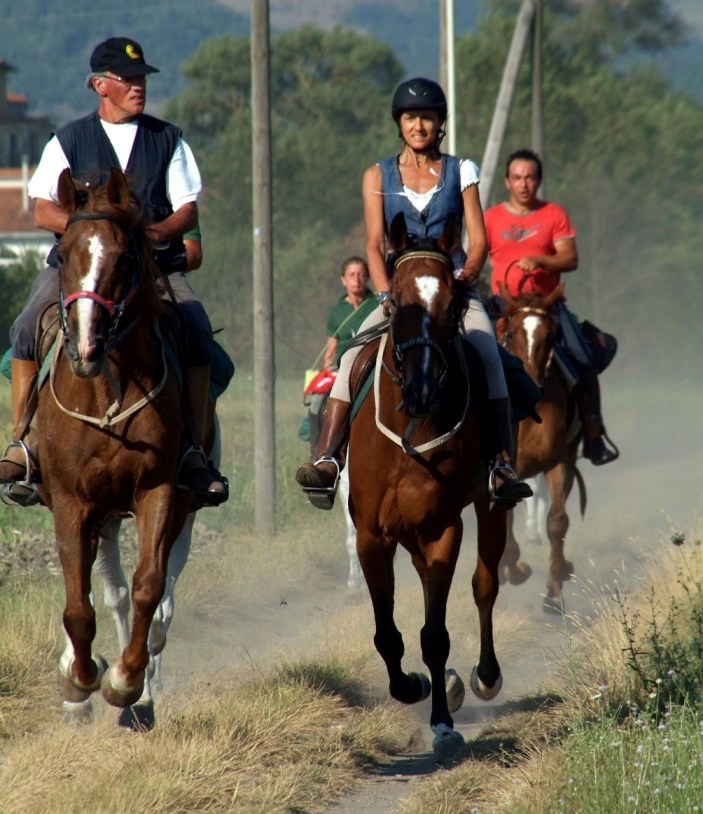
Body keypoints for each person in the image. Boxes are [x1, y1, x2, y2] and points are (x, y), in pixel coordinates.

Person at [0, 37, 228, 505]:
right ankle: (22, 442)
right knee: (25, 327)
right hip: (78, 270)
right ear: (99, 85)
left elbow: (187, 210)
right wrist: (93, 232)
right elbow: (42, 210)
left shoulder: (169, 139)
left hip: (151, 268)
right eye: (128, 80)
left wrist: (154, 232)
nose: (138, 86)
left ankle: (192, 451)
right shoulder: (66, 140)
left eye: (141, 78)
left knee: (197, 332)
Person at [296, 77, 533, 511]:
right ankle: (328, 458)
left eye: (427, 117)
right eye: (411, 118)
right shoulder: (376, 175)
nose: (419, 125)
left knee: (488, 355)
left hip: (451, 288)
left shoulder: (462, 171)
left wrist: (464, 280)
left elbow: (478, 240)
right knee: (351, 357)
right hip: (398, 293)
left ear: (440, 122)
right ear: (399, 123)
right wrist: (385, 293)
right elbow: (372, 244)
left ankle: (500, 466)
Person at [483, 148, 618, 465]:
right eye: (517, 177)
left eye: (530, 177)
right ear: (507, 181)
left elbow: (570, 258)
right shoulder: (489, 218)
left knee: (582, 357)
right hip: (504, 307)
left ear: (539, 180)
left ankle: (594, 432)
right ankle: (473, 433)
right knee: (471, 354)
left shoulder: (553, 214)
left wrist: (542, 260)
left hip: (547, 306)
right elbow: (475, 256)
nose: (524, 184)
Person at [307, 256, 376, 454]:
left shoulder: (377, 304)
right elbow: (330, 349)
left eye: (362, 275)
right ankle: (316, 452)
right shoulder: (335, 312)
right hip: (341, 364)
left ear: (368, 278)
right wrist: (325, 373)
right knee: (317, 400)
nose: (357, 279)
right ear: (343, 280)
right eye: (352, 275)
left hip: (371, 360)